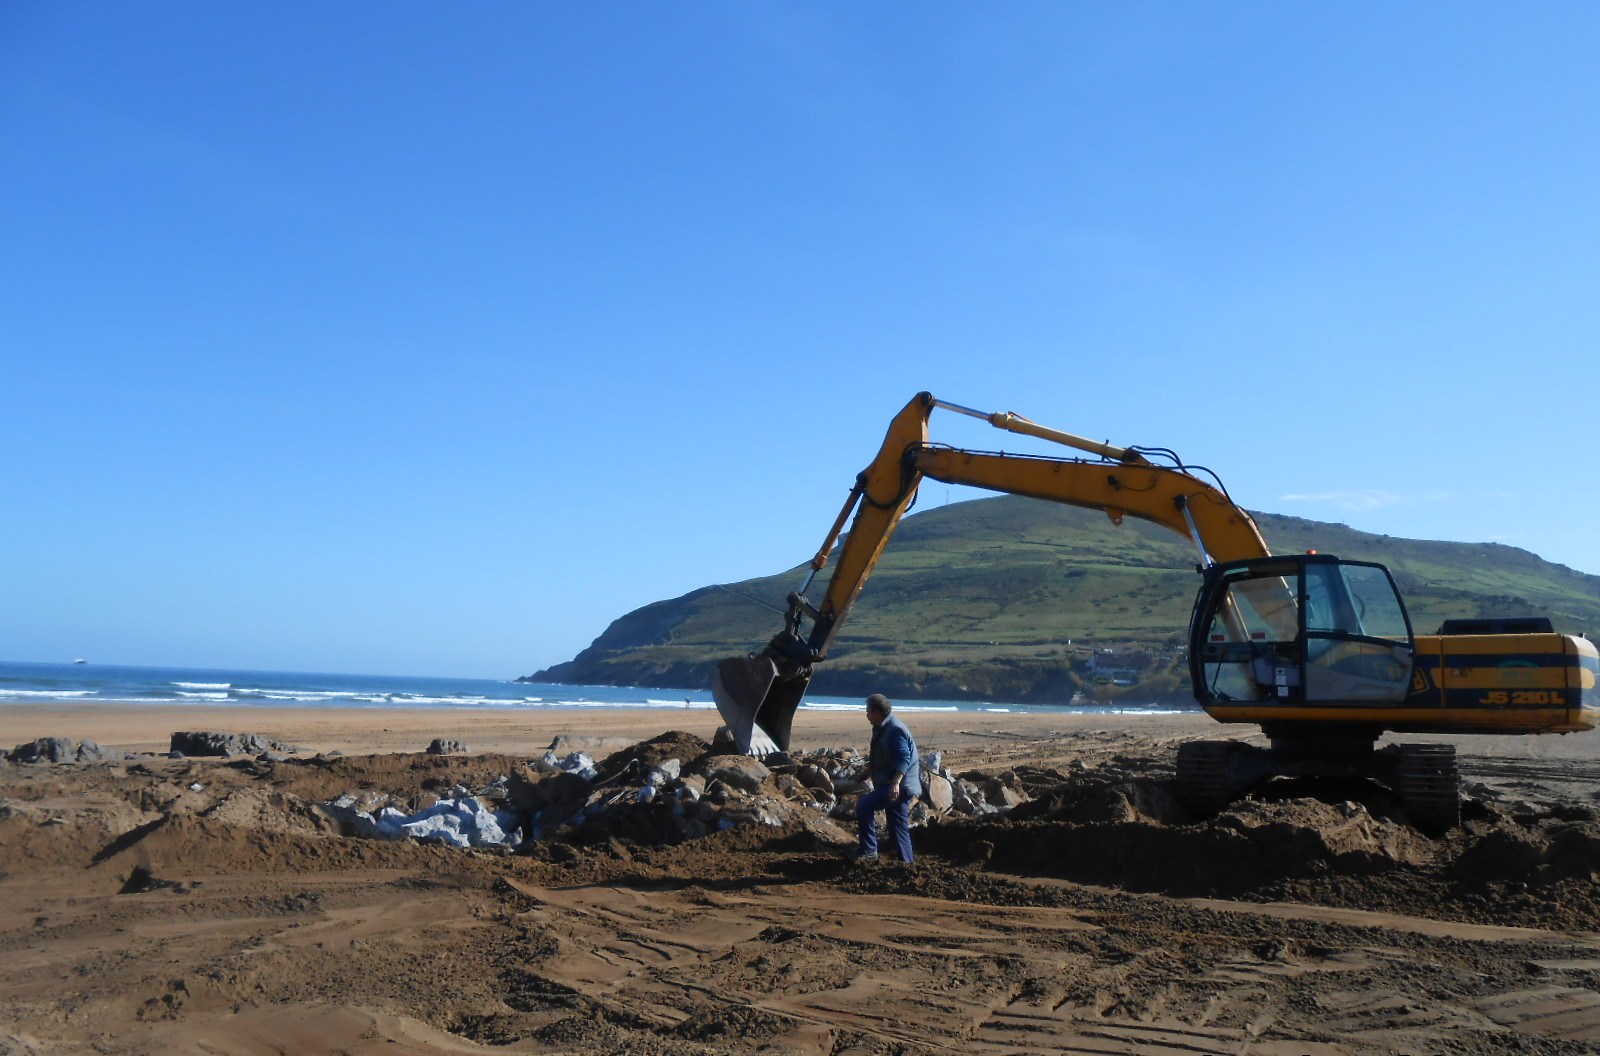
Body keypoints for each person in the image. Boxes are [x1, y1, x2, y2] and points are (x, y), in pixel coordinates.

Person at [854, 693, 921, 863]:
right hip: (896, 785)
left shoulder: (894, 729)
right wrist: (868, 772)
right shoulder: (882, 727)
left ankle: (869, 851)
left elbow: (904, 758)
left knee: (864, 805)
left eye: (868, 711)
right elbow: (882, 757)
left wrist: (895, 783)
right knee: (898, 826)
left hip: (901, 786)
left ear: (878, 712)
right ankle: (907, 864)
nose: (866, 714)